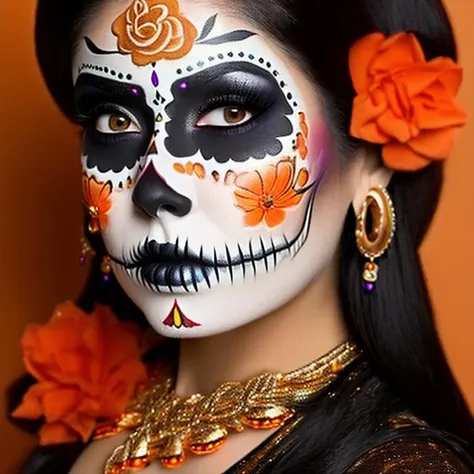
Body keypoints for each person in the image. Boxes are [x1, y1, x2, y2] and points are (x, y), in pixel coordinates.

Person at [11, 0, 474, 472]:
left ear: (369, 160)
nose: (153, 190)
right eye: (114, 121)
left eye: (231, 114)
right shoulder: (90, 410)